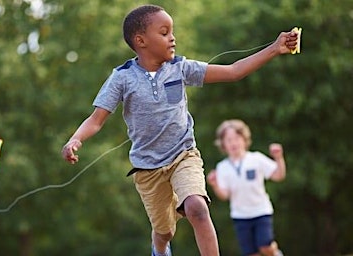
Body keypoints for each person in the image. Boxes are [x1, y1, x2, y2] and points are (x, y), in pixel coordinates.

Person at [61, 4, 297, 256]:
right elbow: (96, 119)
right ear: (141, 41)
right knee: (165, 230)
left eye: (172, 31)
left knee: (197, 208)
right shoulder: (122, 77)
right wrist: (75, 139)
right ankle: (160, 248)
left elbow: (233, 71)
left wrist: (275, 48)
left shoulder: (180, 67)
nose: (172, 37)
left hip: (183, 155)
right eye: (164, 32)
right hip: (148, 168)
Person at [206, 119, 286, 256]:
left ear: (244, 140)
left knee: (265, 246)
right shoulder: (222, 167)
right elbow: (224, 195)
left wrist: (279, 158)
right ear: (223, 144)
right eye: (228, 140)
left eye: (237, 138)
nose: (233, 143)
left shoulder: (256, 159)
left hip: (261, 212)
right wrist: (215, 185)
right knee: (251, 253)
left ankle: (276, 253)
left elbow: (278, 175)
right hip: (240, 216)